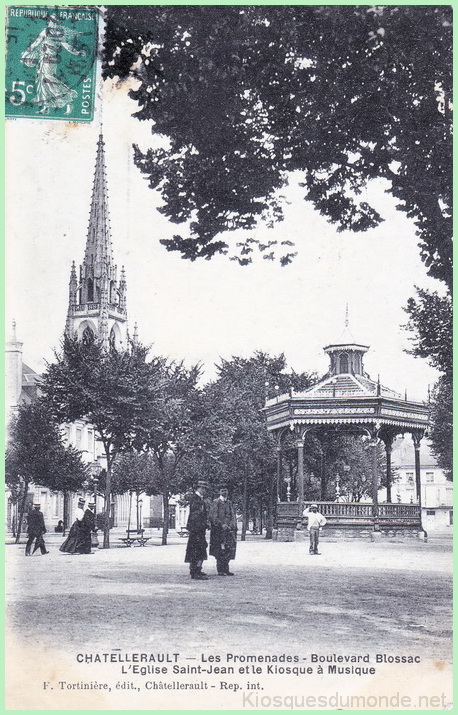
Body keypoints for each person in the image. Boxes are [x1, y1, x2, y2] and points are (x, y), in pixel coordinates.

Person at [20, 14, 86, 115]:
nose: (54, 23)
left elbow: (67, 46)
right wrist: (25, 54)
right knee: (43, 83)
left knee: (50, 81)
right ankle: (46, 107)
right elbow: (35, 43)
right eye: (52, 21)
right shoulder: (45, 32)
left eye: (55, 22)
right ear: (49, 22)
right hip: (42, 60)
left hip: (51, 61)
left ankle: (68, 101)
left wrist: (77, 52)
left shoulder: (59, 33)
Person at [184, 481, 210, 580]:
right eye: (203, 488)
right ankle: (195, 572)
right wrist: (202, 525)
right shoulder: (196, 499)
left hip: (199, 528)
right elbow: (196, 516)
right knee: (196, 549)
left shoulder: (199, 499)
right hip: (196, 529)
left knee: (200, 548)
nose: (204, 490)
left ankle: (197, 569)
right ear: (198, 488)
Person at [209, 487, 237, 576]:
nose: (224, 492)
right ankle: (220, 570)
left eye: (226, 490)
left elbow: (232, 515)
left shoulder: (229, 503)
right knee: (220, 550)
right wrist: (222, 524)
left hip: (228, 531)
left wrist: (232, 525)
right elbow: (213, 516)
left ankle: (226, 569)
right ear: (219, 492)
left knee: (229, 549)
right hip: (219, 531)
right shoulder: (216, 502)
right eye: (222, 491)